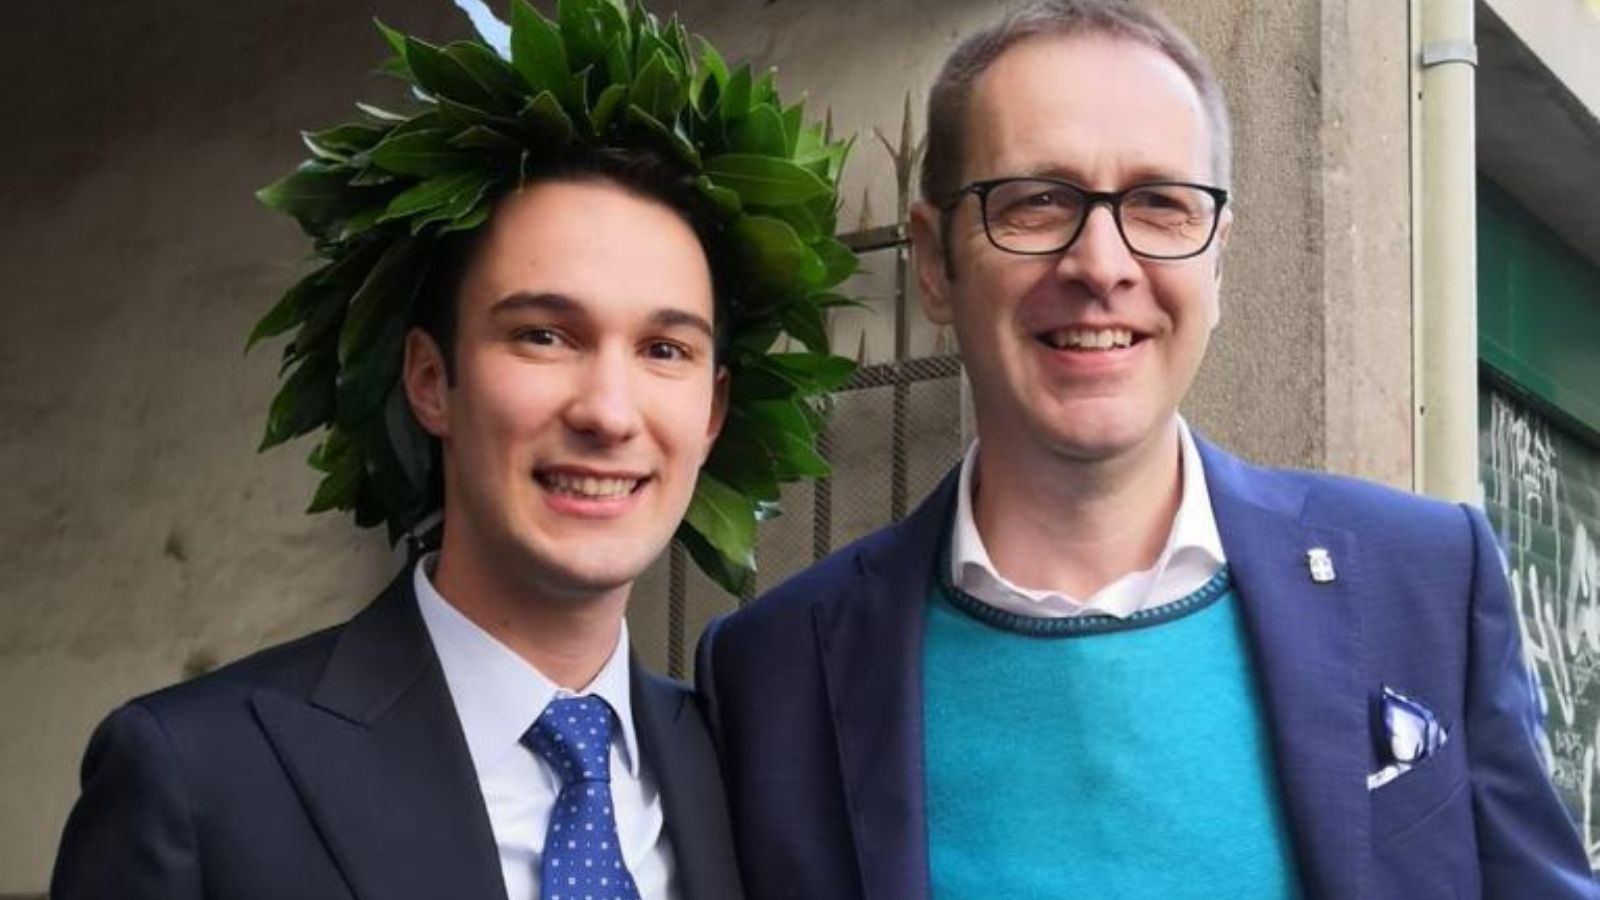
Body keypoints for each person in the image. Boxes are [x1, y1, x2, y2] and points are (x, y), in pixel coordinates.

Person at [696, 2, 1599, 898]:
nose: (1101, 264)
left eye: (1161, 204)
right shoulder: (773, 675)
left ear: (1217, 263)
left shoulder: (1426, 581)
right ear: (935, 262)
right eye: (1038, 201)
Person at [50, 4, 852, 896]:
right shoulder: (195, 780)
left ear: (712, 412)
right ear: (432, 381)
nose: (609, 410)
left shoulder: (745, 774)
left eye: (665, 350)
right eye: (544, 335)